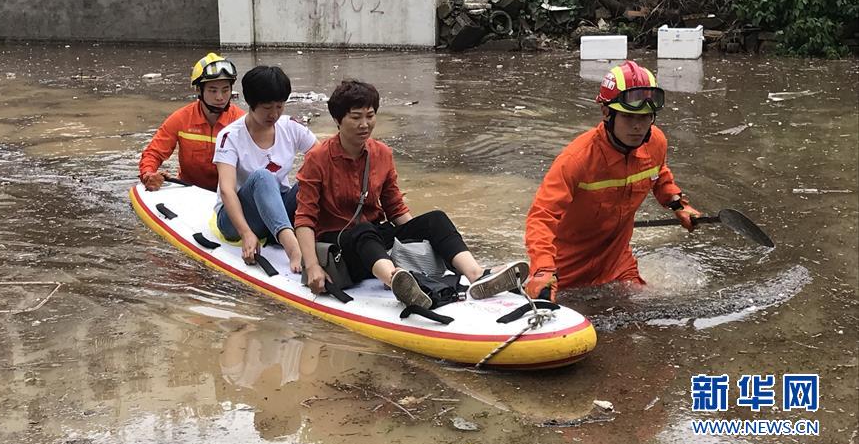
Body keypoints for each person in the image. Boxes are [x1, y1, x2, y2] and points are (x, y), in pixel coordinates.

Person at [295, 79, 528, 309]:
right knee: (363, 231)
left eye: (370, 115)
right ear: (337, 120)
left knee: (435, 219)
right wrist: (313, 265)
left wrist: (417, 241)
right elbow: (305, 218)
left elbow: (395, 208)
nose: (364, 124)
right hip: (341, 247)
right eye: (356, 117)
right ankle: (397, 281)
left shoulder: (382, 153)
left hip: (376, 240)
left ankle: (477, 275)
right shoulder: (318, 158)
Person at [524, 60, 701, 300]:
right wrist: (542, 270)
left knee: (638, 318)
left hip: (617, 261)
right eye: (629, 117)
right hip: (566, 269)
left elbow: (659, 175)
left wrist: (678, 204)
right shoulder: (576, 160)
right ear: (607, 112)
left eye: (646, 117)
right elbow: (542, 216)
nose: (638, 127)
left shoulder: (656, 142)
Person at [214, 65, 317, 273]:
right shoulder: (230, 136)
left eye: (279, 107)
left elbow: (324, 159)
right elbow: (226, 189)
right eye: (267, 108)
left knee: (313, 179)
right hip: (238, 218)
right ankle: (293, 248)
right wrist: (246, 233)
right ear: (252, 104)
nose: (274, 114)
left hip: (278, 209)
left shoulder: (291, 127)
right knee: (263, 176)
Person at [139, 52, 245, 192]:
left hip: (231, 193)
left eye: (225, 90)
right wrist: (149, 174)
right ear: (199, 90)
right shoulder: (181, 119)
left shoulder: (242, 122)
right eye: (213, 91)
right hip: (190, 193)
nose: (220, 97)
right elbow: (154, 153)